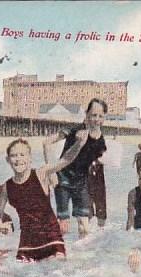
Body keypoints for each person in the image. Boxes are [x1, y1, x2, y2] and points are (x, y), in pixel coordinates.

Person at [0, 135, 86, 261]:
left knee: (55, 271)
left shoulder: (40, 174)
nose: (18, 159)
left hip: (51, 239)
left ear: (30, 158)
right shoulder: (6, 187)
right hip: (27, 244)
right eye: (14, 155)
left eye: (22, 155)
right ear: (7, 159)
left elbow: (65, 160)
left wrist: (79, 144)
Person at [43, 98, 107, 238]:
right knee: (63, 227)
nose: (96, 119)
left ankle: (80, 258)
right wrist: (50, 172)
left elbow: (96, 166)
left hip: (81, 183)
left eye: (100, 116)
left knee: (84, 227)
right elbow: (46, 143)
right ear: (86, 114)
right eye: (93, 115)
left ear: (104, 118)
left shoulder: (101, 141)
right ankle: (59, 255)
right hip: (63, 180)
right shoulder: (74, 130)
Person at [88, 157, 106, 229]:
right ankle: (87, 222)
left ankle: (101, 224)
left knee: (100, 195)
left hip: (97, 161)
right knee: (86, 196)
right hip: (84, 162)